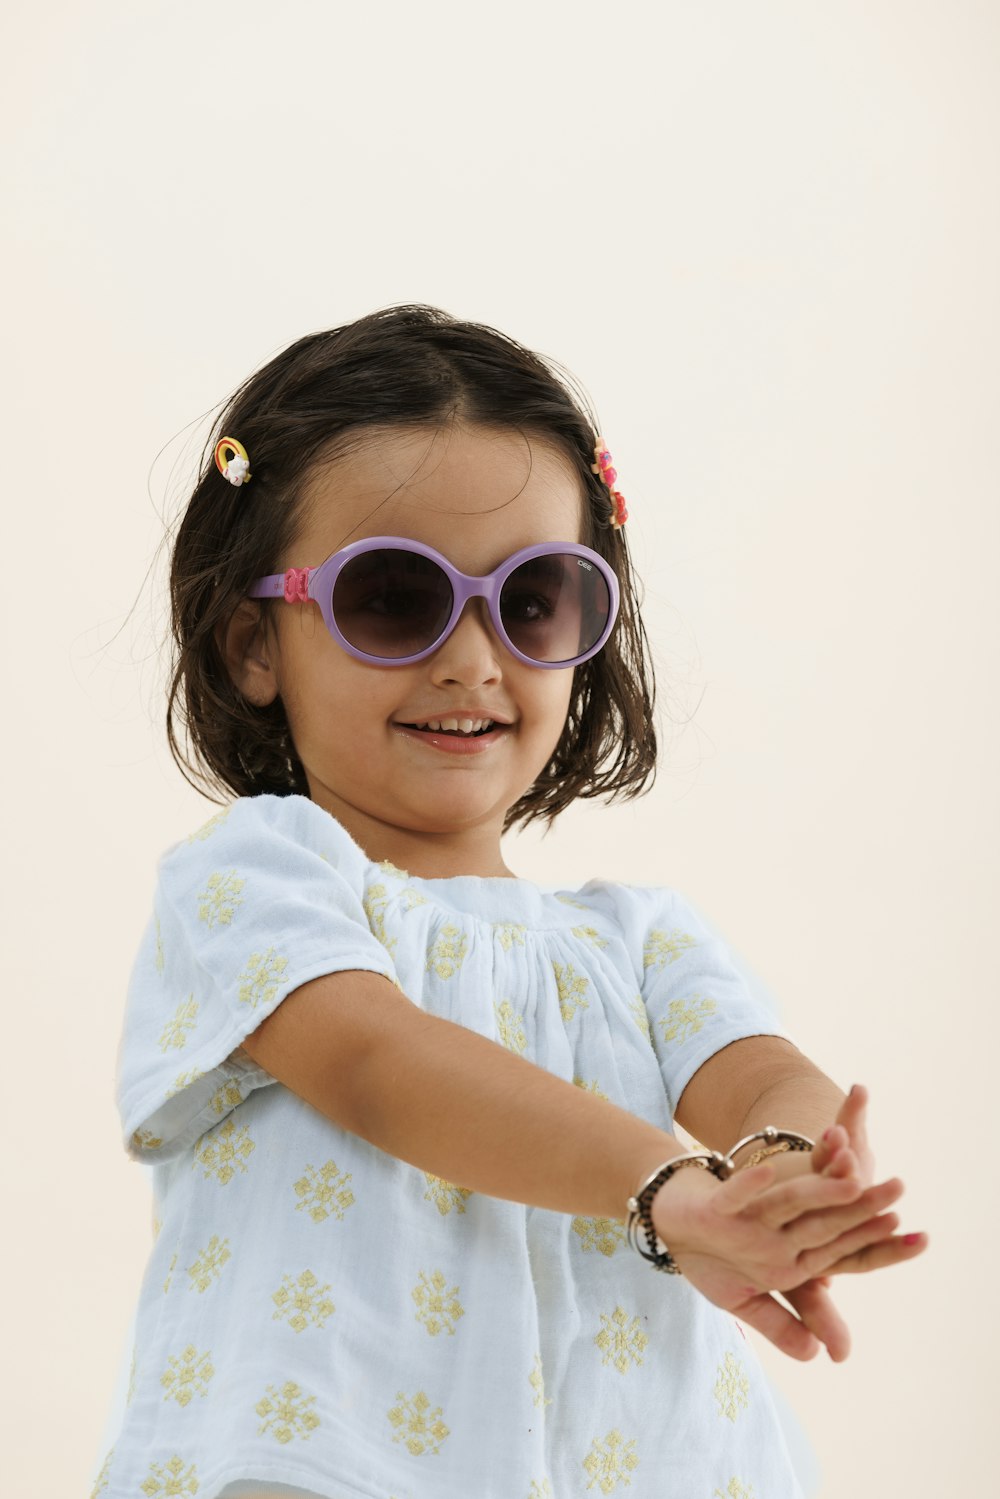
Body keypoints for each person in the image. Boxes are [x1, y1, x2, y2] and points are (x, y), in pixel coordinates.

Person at [94, 305, 926, 1499]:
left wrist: (785, 1165)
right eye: (393, 597)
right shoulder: (255, 875)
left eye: (532, 598)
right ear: (252, 645)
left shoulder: (636, 935)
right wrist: (668, 1188)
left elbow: (758, 1071)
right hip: (331, 1458)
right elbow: (382, 1062)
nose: (474, 656)